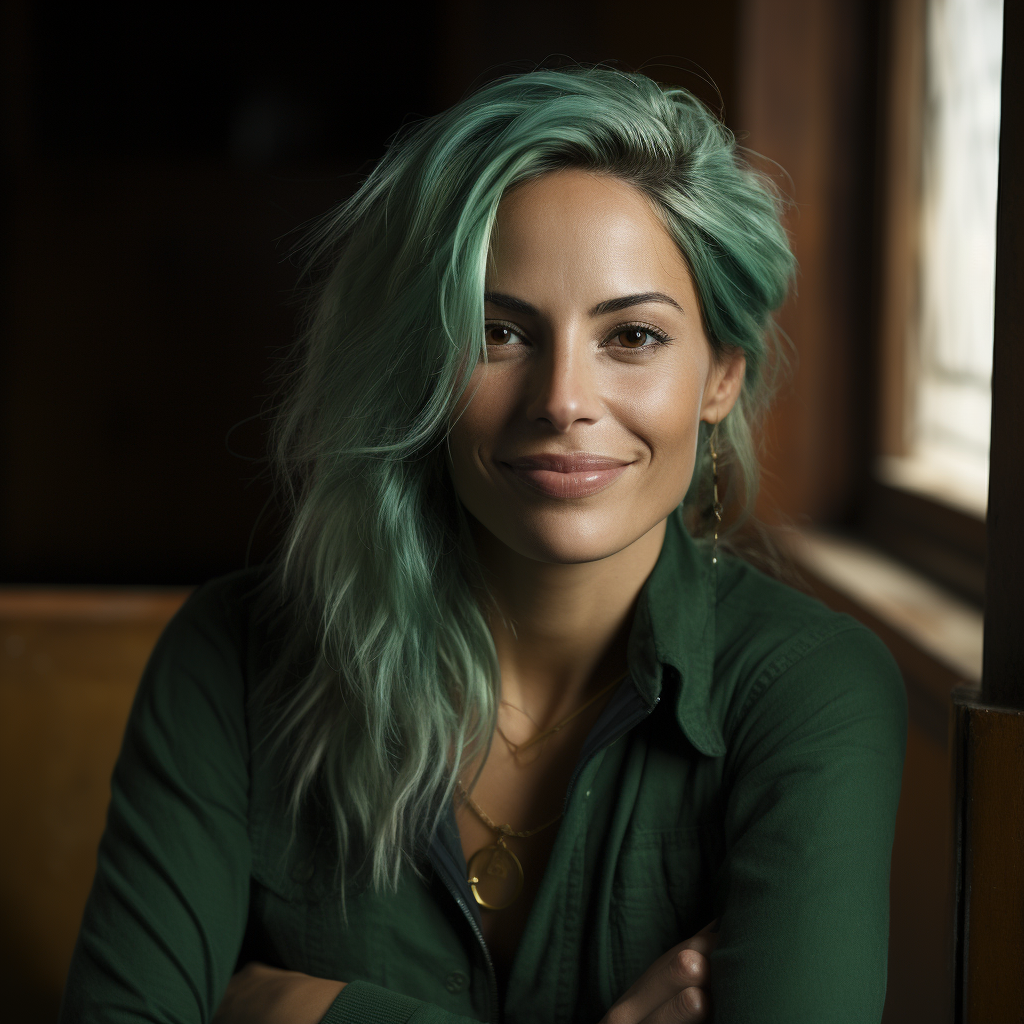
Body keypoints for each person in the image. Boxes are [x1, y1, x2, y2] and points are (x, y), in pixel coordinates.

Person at [60, 68, 907, 1024]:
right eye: (498, 331)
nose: (563, 401)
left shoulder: (809, 692)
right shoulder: (229, 658)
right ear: (420, 364)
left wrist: (300, 1013)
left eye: (631, 336)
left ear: (719, 377)